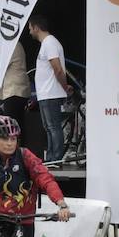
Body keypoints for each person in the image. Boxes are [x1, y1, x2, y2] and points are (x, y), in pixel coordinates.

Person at [28, 14, 71, 163]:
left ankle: (56, 157)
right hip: (46, 93)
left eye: (30, 27)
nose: (29, 31)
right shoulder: (46, 44)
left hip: (51, 93)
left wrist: (64, 87)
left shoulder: (50, 43)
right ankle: (52, 157)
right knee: (49, 127)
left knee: (53, 127)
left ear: (36, 27)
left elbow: (58, 69)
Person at [0, 40, 32, 122]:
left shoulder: (11, 46)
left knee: (11, 125)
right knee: (17, 124)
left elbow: (1, 65)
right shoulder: (16, 44)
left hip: (13, 90)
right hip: (18, 89)